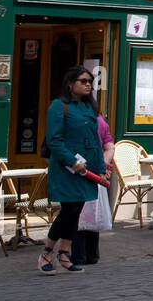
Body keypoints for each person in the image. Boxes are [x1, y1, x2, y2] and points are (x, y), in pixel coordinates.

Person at [37, 66, 105, 275]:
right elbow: (54, 140)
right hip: (67, 169)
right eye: (83, 81)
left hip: (86, 169)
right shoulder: (59, 106)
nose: (87, 85)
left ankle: (64, 254)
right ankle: (47, 252)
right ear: (70, 83)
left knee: (76, 211)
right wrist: (72, 161)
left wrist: (100, 168)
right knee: (69, 211)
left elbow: (95, 140)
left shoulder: (89, 108)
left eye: (89, 82)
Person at [70, 113, 115, 267]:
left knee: (78, 212)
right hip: (96, 173)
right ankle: (92, 254)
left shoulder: (77, 120)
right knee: (93, 213)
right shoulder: (101, 122)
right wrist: (103, 164)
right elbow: (109, 146)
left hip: (80, 171)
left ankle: (78, 255)